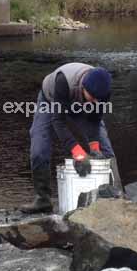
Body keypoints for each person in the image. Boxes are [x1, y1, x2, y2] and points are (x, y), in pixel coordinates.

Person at [21, 63, 116, 214]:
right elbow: (58, 122)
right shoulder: (63, 82)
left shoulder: (101, 92)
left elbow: (94, 120)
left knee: (106, 152)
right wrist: (78, 153)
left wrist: (94, 148)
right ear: (83, 87)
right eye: (92, 98)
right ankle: (43, 200)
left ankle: (116, 196)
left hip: (80, 103)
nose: (95, 102)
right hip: (51, 101)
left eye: (99, 100)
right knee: (39, 149)